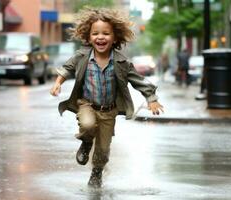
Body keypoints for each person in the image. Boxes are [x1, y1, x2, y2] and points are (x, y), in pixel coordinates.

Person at [50, 7, 163, 188]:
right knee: (87, 125)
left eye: (106, 33)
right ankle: (86, 143)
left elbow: (138, 80)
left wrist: (152, 98)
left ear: (115, 37)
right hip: (87, 104)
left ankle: (97, 173)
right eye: (95, 33)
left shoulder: (121, 62)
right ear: (88, 37)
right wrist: (58, 83)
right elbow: (67, 68)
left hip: (108, 111)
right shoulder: (82, 57)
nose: (100, 37)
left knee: (103, 149)